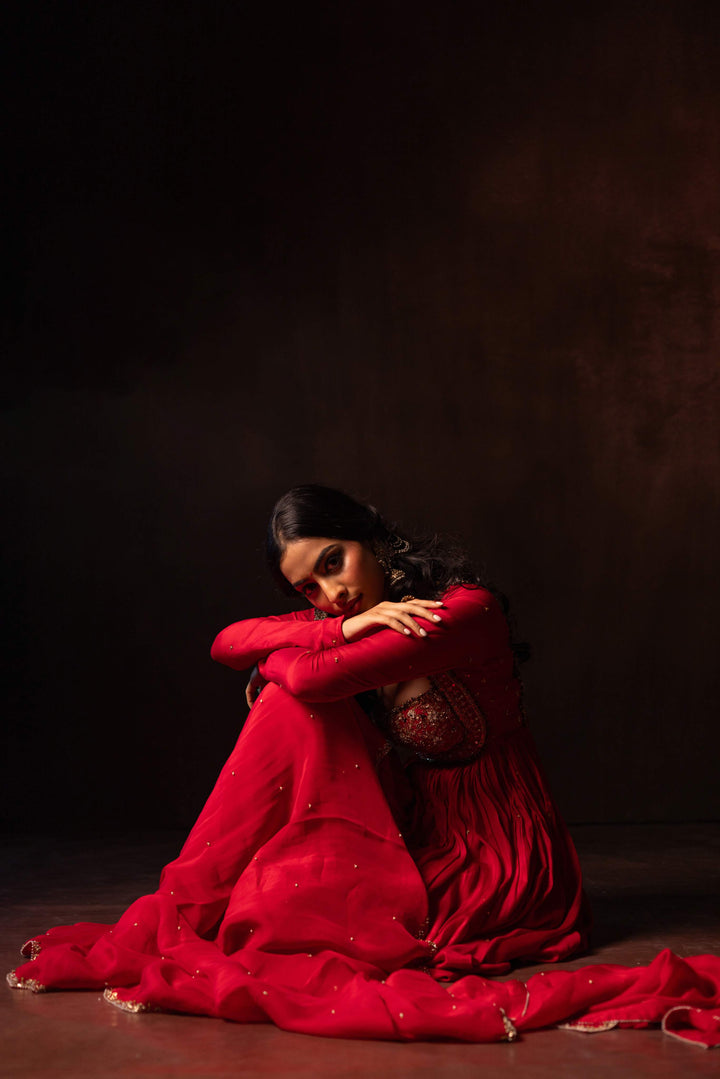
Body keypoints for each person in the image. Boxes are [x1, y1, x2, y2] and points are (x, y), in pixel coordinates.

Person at [7, 485, 720, 1046]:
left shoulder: (461, 612)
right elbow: (226, 642)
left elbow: (310, 679)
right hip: (415, 821)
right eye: (309, 590)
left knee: (293, 698)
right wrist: (340, 628)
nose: (331, 593)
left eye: (333, 562)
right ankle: (207, 898)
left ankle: (210, 898)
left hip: (493, 847)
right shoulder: (355, 618)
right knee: (289, 711)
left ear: (371, 537)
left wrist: (294, 656)